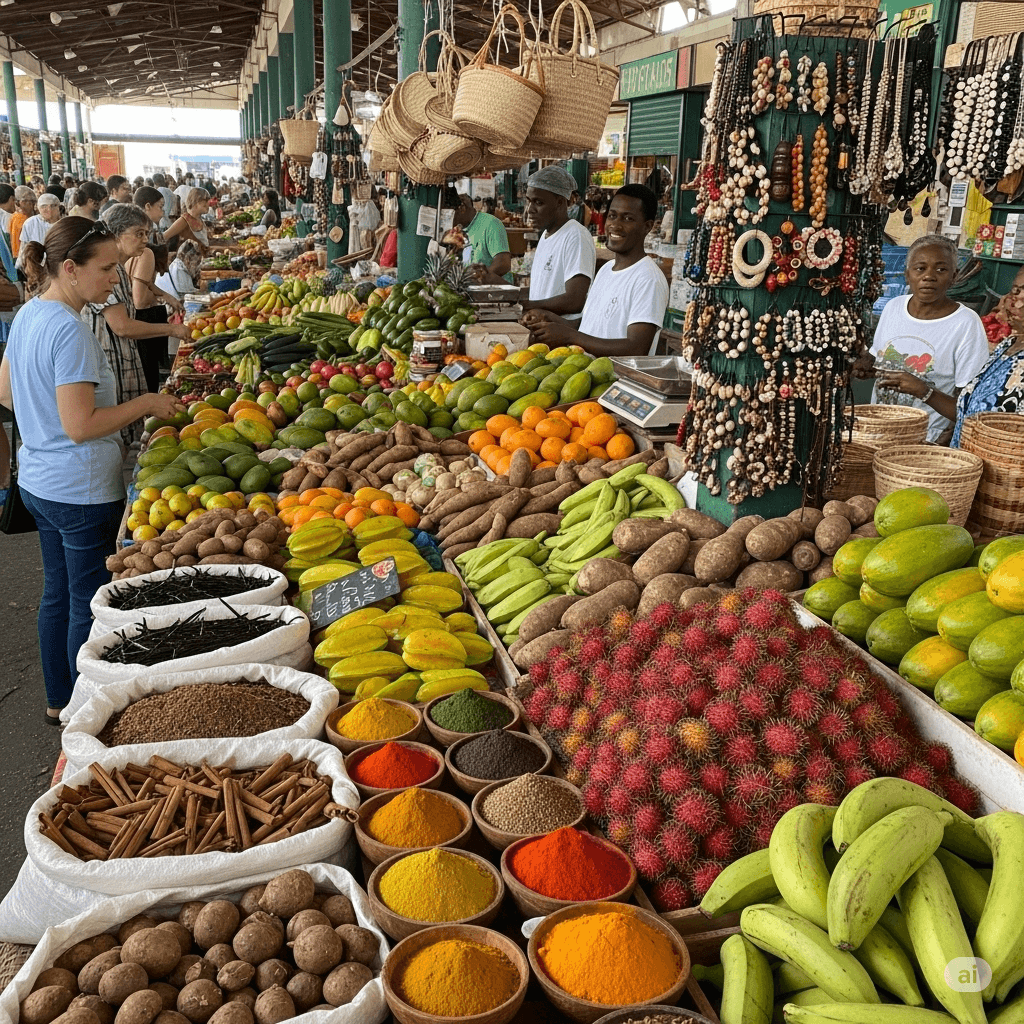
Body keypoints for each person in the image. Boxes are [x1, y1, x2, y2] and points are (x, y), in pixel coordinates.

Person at [0, 216, 185, 721]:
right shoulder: (71, 331)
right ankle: (86, 709)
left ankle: (58, 699)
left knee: (56, 593)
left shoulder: (28, 315)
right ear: (70, 269)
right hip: (78, 487)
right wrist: (147, 401)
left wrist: (45, 420)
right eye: (105, 269)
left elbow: (6, 395)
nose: (114, 278)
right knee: (87, 600)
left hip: (39, 478)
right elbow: (82, 425)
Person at [854, 234, 989, 444]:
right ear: (907, 275)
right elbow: (876, 360)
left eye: (941, 269)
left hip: (923, 443)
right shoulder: (893, 308)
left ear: (954, 276)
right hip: (877, 434)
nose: (929, 276)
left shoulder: (965, 324)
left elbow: (969, 408)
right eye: (920, 268)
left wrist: (923, 391)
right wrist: (864, 366)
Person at [521, 184, 668, 357]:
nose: (615, 225)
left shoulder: (648, 279)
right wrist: (549, 319)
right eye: (612, 216)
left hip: (615, 380)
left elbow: (636, 347)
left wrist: (571, 336)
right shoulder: (605, 270)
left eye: (627, 219)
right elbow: (587, 325)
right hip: (583, 371)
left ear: (647, 226)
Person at [85, 206, 191, 445]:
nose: (145, 240)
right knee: (113, 436)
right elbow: (121, 326)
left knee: (123, 436)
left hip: (123, 361)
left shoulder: (119, 269)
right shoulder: (106, 271)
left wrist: (163, 295)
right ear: (115, 234)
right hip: (110, 364)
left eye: (146, 233)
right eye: (138, 233)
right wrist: (171, 329)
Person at [519, 166, 596, 322]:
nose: (530, 210)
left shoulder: (576, 236)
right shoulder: (546, 236)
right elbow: (544, 291)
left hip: (562, 337)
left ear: (560, 202)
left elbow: (575, 300)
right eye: (529, 201)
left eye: (538, 202)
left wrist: (528, 305)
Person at [128, 241, 180, 393]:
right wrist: (156, 299)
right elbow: (140, 301)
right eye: (140, 234)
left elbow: (147, 284)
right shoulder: (146, 255)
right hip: (141, 324)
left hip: (137, 323)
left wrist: (166, 297)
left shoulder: (135, 257)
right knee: (147, 374)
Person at [446, 189, 512, 284]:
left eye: (449, 215)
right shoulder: (462, 230)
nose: (448, 220)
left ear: (462, 208)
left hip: (495, 293)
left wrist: (478, 278)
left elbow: (503, 263)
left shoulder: (491, 224)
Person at [163, 186, 230, 253]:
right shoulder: (184, 221)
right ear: (196, 202)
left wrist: (227, 248)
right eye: (205, 201)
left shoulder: (199, 220)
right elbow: (163, 237)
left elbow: (206, 247)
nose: (208, 204)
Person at [16, 192, 62, 263]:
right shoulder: (30, 223)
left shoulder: (64, 223)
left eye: (53, 205)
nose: (49, 209)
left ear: (58, 207)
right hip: (37, 265)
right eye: (44, 206)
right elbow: (24, 248)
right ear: (38, 208)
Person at [9, 186, 37, 258]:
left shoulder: (14, 216)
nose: (32, 206)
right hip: (23, 258)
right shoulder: (23, 219)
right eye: (31, 202)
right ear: (21, 202)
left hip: (18, 256)